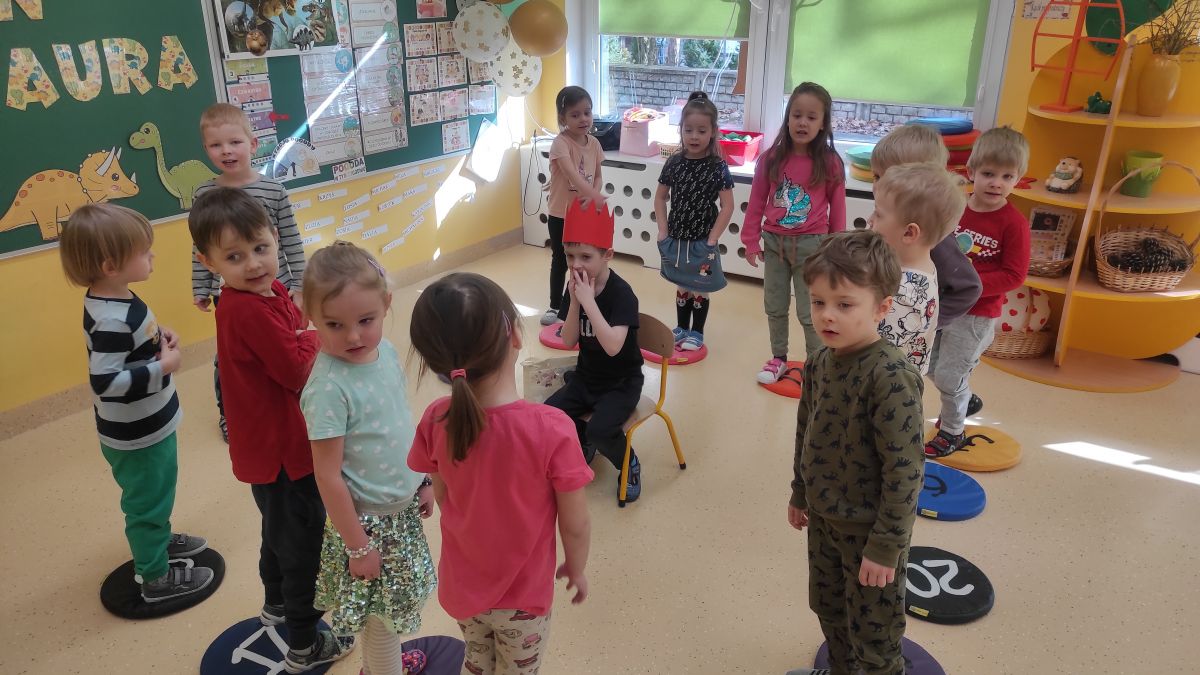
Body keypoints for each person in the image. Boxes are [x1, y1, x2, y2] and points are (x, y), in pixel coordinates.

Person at [188, 188, 353, 673]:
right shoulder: (247, 309)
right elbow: (297, 369)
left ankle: (277, 605)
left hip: (267, 449)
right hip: (285, 454)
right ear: (207, 262)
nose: (254, 264)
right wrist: (315, 337)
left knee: (277, 532)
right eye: (234, 257)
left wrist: (301, 334)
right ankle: (304, 644)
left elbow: (294, 329)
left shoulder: (269, 292)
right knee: (303, 547)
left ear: (276, 238)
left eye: (260, 248)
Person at [407, 273, 593, 674]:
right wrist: (576, 566)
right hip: (523, 601)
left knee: (476, 659)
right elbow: (575, 522)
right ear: (515, 336)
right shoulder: (552, 428)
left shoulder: (435, 418)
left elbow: (445, 498)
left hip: (462, 590)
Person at [785, 230, 925, 675]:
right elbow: (806, 430)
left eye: (845, 305)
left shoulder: (891, 378)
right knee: (830, 611)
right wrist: (800, 491)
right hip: (824, 521)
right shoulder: (819, 360)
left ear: (882, 308)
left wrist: (885, 547)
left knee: (875, 634)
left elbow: (905, 474)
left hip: (870, 533)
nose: (827, 315)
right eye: (818, 302)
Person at [59, 204, 211, 603]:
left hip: (150, 422)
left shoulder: (114, 298)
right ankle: (155, 576)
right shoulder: (110, 318)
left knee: (159, 490)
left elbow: (134, 338)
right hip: (137, 433)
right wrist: (163, 366)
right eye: (144, 252)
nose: (152, 256)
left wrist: (160, 336)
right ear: (111, 266)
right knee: (146, 501)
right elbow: (106, 381)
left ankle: (158, 537)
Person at [301, 242, 435, 675]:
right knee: (379, 620)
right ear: (310, 317)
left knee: (390, 613)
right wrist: (359, 547)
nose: (354, 336)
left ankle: (385, 663)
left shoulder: (387, 352)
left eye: (366, 320)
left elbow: (398, 425)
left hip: (399, 510)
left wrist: (421, 480)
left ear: (386, 304)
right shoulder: (327, 388)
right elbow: (327, 477)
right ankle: (382, 668)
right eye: (335, 325)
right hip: (368, 525)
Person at [192, 103, 307, 442]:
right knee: (231, 358)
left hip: (278, 289)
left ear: (253, 144)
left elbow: (291, 241)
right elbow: (199, 247)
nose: (226, 151)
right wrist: (200, 286)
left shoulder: (273, 191)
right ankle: (230, 414)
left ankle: (289, 402)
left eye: (235, 142)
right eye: (216, 145)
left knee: (283, 349)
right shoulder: (204, 194)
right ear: (206, 150)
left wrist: (300, 285)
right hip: (230, 290)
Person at [926, 127, 1031, 458]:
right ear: (971, 171)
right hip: (943, 305)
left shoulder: (1014, 223)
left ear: (1018, 179)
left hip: (976, 315)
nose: (996, 183)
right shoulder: (956, 208)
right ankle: (964, 398)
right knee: (929, 364)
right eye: (988, 174)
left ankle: (953, 431)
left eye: (1007, 176)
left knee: (949, 376)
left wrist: (968, 284)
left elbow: (1014, 275)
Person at [742, 82, 847, 383]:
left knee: (810, 309)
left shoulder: (830, 163)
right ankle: (778, 358)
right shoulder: (770, 159)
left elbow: (838, 211)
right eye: (797, 115)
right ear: (787, 118)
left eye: (811, 117)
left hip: (813, 247)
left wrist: (835, 251)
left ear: (823, 123)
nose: (803, 122)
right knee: (774, 305)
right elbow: (757, 201)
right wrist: (750, 240)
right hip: (774, 244)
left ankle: (817, 365)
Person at [545, 200, 646, 502]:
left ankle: (629, 463)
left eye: (586, 257)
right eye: (570, 255)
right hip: (587, 377)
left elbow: (613, 347)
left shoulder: (622, 294)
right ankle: (584, 441)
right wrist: (576, 302)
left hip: (621, 383)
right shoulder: (575, 287)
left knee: (601, 430)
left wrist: (589, 302)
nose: (576, 265)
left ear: (607, 256)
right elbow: (568, 340)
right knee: (550, 416)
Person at [869, 124, 982, 331]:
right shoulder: (888, 217)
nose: (877, 186)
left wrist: (929, 322)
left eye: (885, 178)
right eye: (875, 177)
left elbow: (968, 288)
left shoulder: (934, 241)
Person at [653, 91, 734, 351]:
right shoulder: (674, 162)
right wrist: (663, 231)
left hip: (702, 241)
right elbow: (660, 197)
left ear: (713, 132)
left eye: (701, 131)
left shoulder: (718, 166)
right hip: (676, 238)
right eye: (689, 130)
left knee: (700, 287)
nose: (694, 136)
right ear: (681, 130)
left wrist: (712, 239)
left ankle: (697, 332)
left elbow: (727, 206)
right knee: (682, 284)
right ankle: (682, 328)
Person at [869, 162, 967, 374]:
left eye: (878, 214)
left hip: (883, 386)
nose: (870, 220)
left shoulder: (904, 295)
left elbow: (874, 353)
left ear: (909, 233)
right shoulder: (922, 267)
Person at [542, 86, 605, 326]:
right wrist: (593, 195)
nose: (583, 119)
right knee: (561, 259)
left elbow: (597, 176)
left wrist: (592, 195)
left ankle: (578, 302)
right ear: (563, 118)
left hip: (583, 214)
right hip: (560, 214)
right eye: (575, 115)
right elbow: (572, 175)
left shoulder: (595, 143)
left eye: (587, 112)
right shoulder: (560, 143)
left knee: (583, 261)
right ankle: (555, 305)